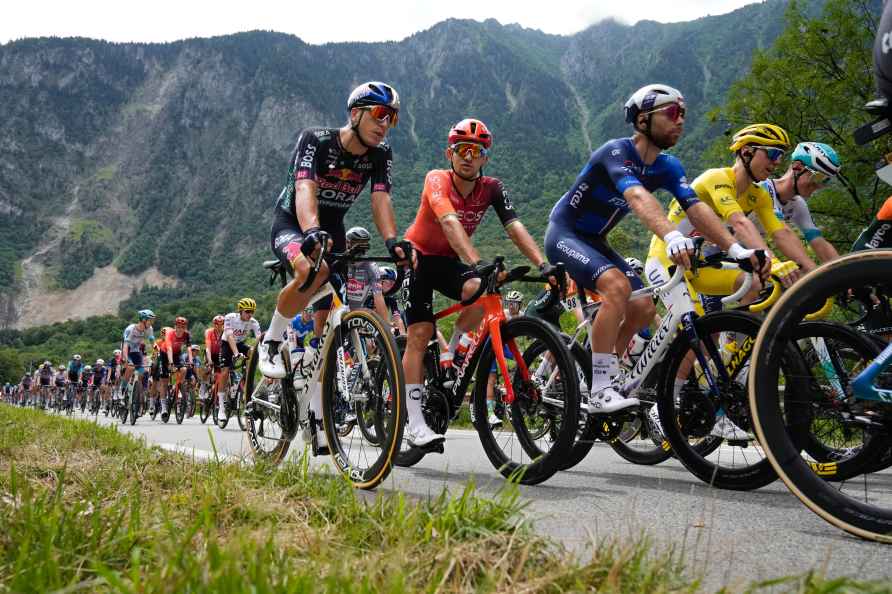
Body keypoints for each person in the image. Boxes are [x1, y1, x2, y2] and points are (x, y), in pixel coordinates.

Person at [545, 84, 761, 414]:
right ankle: (599, 388)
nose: (681, 121)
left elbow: (695, 207)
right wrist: (672, 236)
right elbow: (636, 196)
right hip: (565, 234)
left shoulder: (668, 166)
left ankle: (607, 369)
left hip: (595, 241)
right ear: (643, 119)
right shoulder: (615, 152)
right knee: (616, 287)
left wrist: (735, 248)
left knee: (644, 306)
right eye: (672, 113)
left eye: (684, 114)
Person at [256, 82, 411, 454]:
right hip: (294, 222)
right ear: (355, 113)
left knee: (331, 328)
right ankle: (272, 342)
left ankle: (316, 413)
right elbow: (305, 186)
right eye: (378, 114)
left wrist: (393, 241)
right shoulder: (317, 140)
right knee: (315, 272)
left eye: (391, 117)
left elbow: (380, 199)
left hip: (334, 229)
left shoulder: (380, 154)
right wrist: (310, 231)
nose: (384, 123)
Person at [401, 118, 559, 448]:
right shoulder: (437, 179)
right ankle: (413, 422)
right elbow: (448, 221)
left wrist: (542, 264)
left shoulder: (492, 188)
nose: (468, 156)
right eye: (462, 150)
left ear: (485, 157)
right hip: (418, 258)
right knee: (420, 333)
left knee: (480, 288)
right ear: (450, 153)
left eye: (477, 151)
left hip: (447, 262)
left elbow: (514, 227)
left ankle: (454, 351)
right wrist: (476, 262)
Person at [755, 141, 843, 264]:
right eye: (818, 177)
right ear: (797, 167)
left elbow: (819, 242)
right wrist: (812, 270)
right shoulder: (763, 189)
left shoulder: (797, 203)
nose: (819, 185)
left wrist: (844, 270)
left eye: (826, 181)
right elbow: (783, 233)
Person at [221, 299, 261, 419]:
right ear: (240, 311)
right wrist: (236, 353)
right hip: (227, 344)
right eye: (247, 311)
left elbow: (259, 338)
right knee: (225, 372)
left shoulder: (253, 322)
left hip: (240, 344)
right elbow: (229, 336)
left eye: (252, 312)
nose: (250, 314)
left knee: (253, 351)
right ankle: (221, 407)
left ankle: (248, 377)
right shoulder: (230, 318)